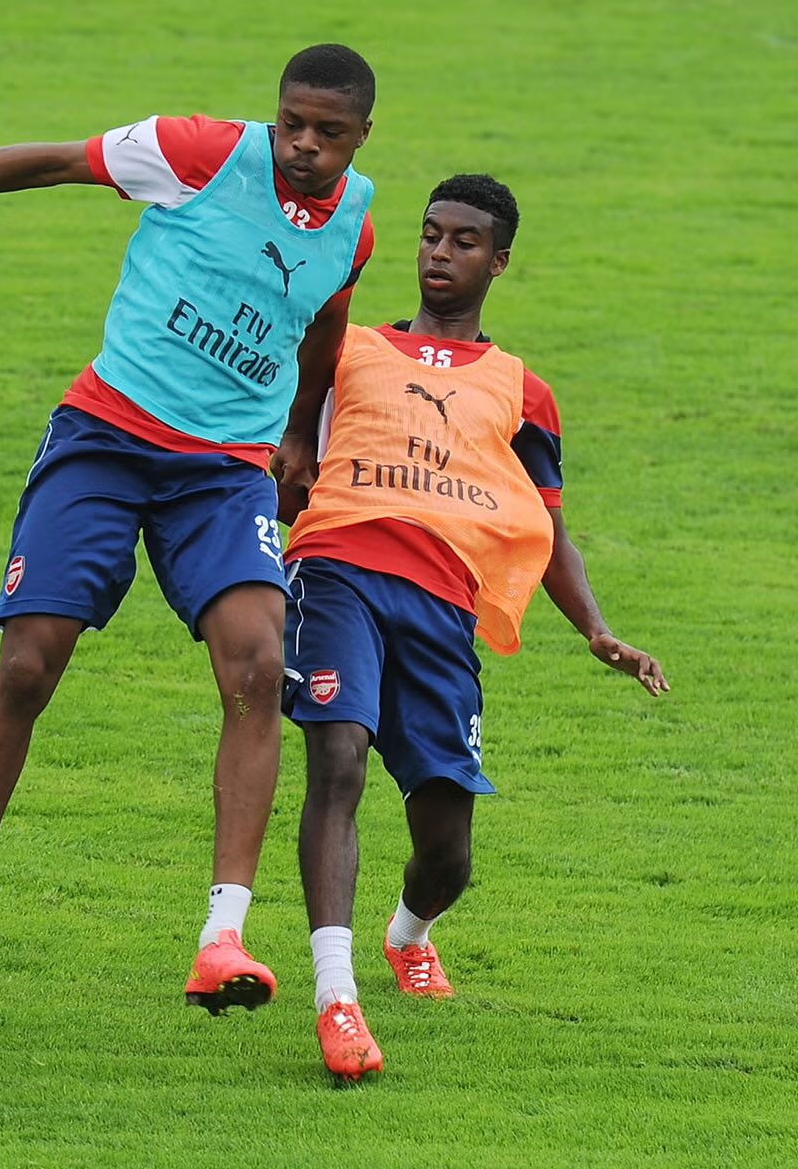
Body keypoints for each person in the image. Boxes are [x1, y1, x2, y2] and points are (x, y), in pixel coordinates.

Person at [0, 45, 376, 1015]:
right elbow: (51, 161)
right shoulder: (197, 151)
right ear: (274, 112)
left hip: (224, 471)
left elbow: (326, 320)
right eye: (292, 122)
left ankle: (223, 938)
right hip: (107, 437)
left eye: (328, 133)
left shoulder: (357, 219)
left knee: (255, 665)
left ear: (361, 137)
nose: (304, 144)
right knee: (31, 661)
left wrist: (298, 432)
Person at [275, 173, 668, 1079]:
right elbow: (283, 446)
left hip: (444, 608)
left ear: (499, 261)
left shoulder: (523, 392)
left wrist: (599, 632)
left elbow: (549, 523)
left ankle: (409, 934)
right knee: (336, 762)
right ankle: (336, 999)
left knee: (446, 852)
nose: (438, 253)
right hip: (337, 571)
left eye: (462, 241)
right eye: (429, 235)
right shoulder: (349, 349)